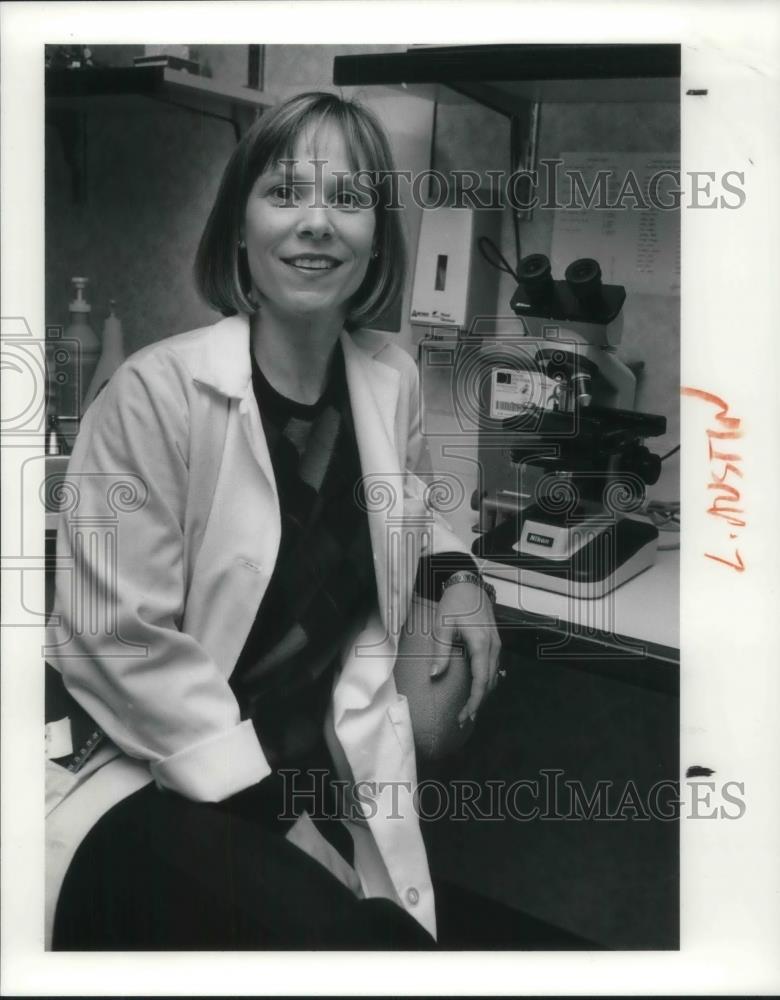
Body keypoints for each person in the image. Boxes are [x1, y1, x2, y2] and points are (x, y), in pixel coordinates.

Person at [45, 91, 502, 951]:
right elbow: (117, 640)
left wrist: (458, 573)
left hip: (312, 771)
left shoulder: (389, 379)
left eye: (350, 198)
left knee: (397, 948)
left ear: (377, 237)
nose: (317, 223)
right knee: (371, 951)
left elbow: (416, 504)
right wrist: (277, 824)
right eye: (286, 192)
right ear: (240, 225)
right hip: (157, 775)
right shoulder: (153, 394)